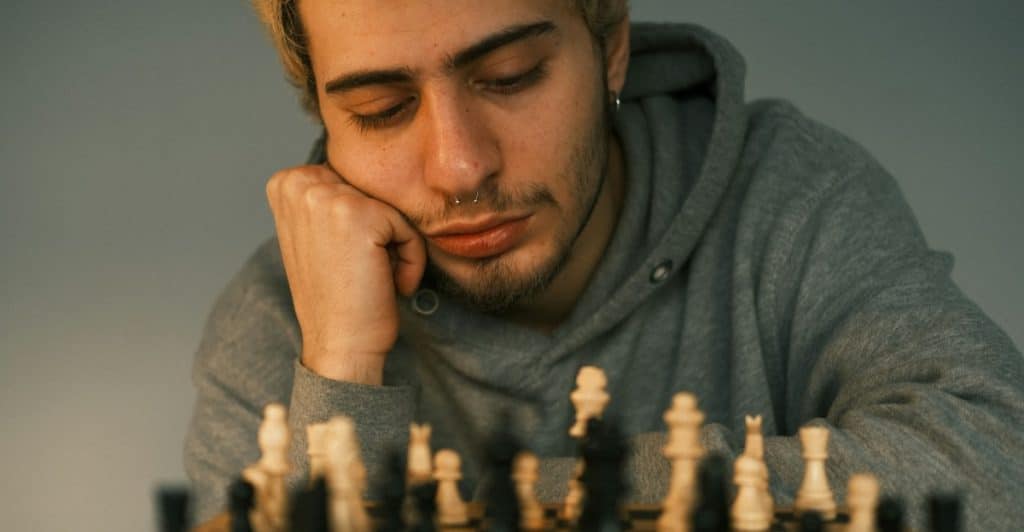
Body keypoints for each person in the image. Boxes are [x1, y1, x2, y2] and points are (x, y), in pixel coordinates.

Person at [185, 0, 1024, 529]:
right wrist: (340, 372)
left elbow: (996, 468)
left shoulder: (790, 192)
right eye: (382, 109)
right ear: (324, 117)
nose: (461, 167)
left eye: (510, 77)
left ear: (610, 47)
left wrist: (543, 495)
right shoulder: (279, 322)